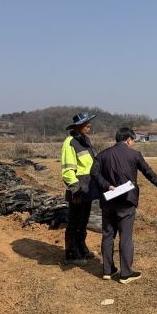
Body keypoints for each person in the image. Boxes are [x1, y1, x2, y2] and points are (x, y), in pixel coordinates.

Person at [91, 127, 157, 283]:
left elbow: (94, 173)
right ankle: (125, 273)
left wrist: (107, 185)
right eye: (133, 140)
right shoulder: (134, 154)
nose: (133, 143)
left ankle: (107, 270)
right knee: (125, 237)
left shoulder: (102, 155)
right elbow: (148, 171)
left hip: (108, 201)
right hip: (126, 201)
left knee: (108, 235)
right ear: (128, 139)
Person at [61, 112, 99, 265]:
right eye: (86, 123)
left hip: (88, 188)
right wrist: (75, 189)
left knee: (83, 222)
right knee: (74, 222)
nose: (89, 125)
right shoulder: (70, 142)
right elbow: (67, 170)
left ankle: (82, 248)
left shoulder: (85, 140)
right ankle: (72, 253)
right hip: (78, 190)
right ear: (77, 126)